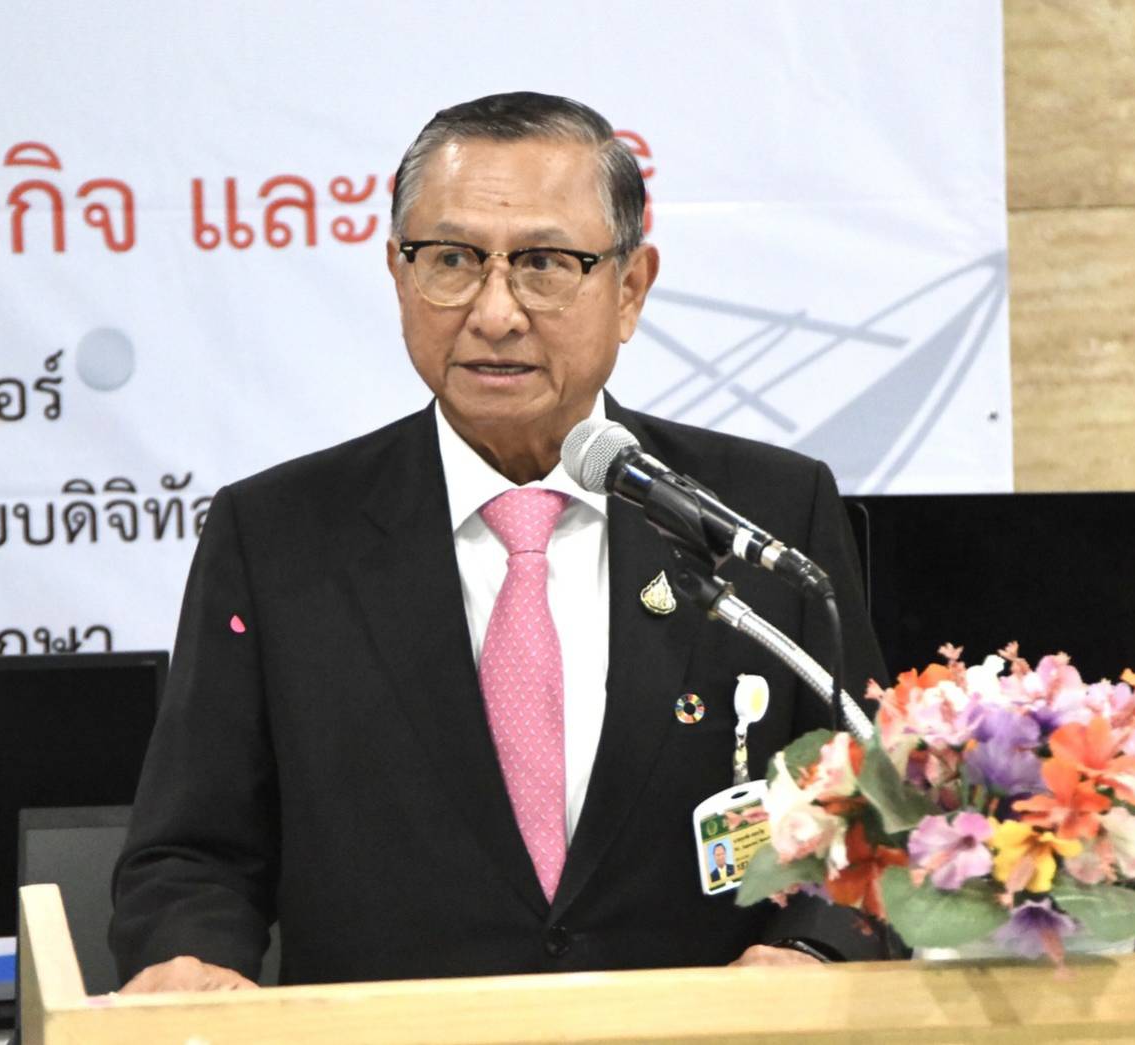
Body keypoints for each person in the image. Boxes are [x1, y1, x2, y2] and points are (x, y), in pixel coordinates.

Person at [110, 91, 889, 993]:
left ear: (629, 288)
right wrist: (191, 960)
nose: (494, 312)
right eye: (450, 260)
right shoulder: (277, 534)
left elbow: (872, 804)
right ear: (398, 275)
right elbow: (192, 851)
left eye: (544, 264)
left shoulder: (763, 513)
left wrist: (812, 950)